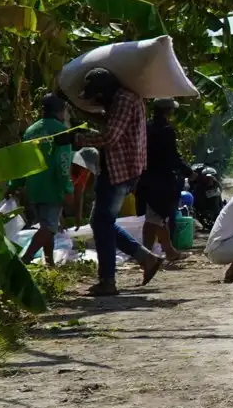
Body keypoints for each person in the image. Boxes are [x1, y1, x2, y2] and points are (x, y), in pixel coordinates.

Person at [79, 68, 163, 296]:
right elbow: (109, 123)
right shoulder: (122, 100)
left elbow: (109, 136)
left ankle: (108, 280)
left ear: (105, 89)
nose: (97, 101)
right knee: (101, 222)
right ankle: (146, 258)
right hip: (121, 169)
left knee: (102, 222)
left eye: (97, 95)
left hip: (119, 170)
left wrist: (78, 139)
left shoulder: (124, 100)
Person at [17, 93, 75, 267]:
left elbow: (22, 160)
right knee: (48, 228)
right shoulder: (61, 131)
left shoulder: (31, 131)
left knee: (47, 226)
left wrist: (17, 184)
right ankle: (25, 259)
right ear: (60, 111)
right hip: (52, 186)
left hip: (34, 185)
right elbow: (63, 162)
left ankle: (49, 263)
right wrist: (67, 188)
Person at [138, 98, 189, 267]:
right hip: (161, 181)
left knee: (158, 217)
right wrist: (189, 172)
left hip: (145, 178)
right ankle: (146, 255)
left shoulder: (145, 127)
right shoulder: (167, 130)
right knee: (154, 218)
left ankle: (169, 251)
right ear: (168, 111)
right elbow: (173, 157)